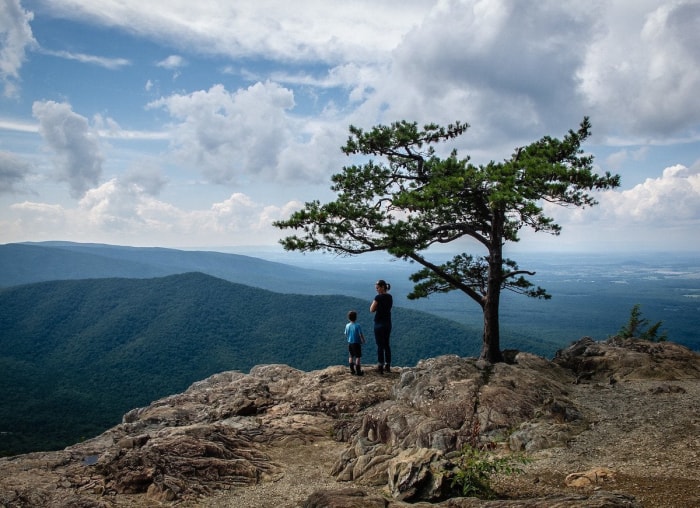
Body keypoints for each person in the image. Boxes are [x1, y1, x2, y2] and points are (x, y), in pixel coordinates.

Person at [370, 279, 393, 374]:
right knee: (387, 344)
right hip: (388, 323)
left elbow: (371, 309)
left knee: (380, 345)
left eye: (377, 288)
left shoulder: (378, 297)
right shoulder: (390, 297)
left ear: (383, 287)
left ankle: (380, 366)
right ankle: (388, 365)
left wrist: (377, 307)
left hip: (379, 323)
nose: (376, 289)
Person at [344, 310, 366, 375]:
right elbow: (360, 334)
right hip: (356, 343)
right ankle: (358, 371)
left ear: (348, 318)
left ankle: (352, 370)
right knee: (358, 357)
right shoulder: (357, 325)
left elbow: (345, 334)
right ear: (356, 317)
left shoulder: (347, 325)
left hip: (350, 343)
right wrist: (363, 340)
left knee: (351, 356)